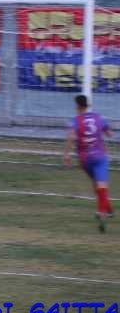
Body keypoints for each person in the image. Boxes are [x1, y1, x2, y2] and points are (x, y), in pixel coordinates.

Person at [64, 94, 113, 232]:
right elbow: (109, 134)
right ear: (88, 105)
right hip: (100, 156)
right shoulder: (99, 117)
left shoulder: (75, 120)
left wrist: (66, 154)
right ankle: (102, 212)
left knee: (96, 184)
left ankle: (107, 210)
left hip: (85, 159)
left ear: (77, 107)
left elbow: (71, 137)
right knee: (102, 184)